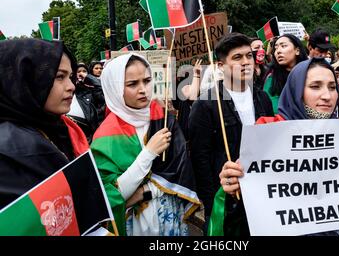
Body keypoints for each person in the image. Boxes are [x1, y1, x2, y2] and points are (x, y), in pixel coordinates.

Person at [216, 57, 339, 235]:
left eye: (333, 87)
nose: (327, 96)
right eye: (315, 86)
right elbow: (246, 222)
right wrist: (235, 192)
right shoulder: (266, 136)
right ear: (296, 91)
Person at [90, 53, 201, 236]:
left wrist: (144, 192)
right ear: (114, 88)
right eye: (132, 84)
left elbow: (180, 170)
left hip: (170, 217)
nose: (143, 89)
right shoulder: (105, 136)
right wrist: (148, 153)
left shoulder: (164, 118)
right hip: (134, 224)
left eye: (147, 80)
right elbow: (112, 197)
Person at [188, 33, 274, 234]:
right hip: (225, 199)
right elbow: (200, 159)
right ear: (220, 66)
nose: (246, 62)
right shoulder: (206, 105)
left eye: (249, 56)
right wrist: (212, 204)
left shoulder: (262, 99)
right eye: (237, 58)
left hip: (260, 195)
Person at [0, 39, 88, 209]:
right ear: (26, 78)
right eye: (59, 77)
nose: (71, 86)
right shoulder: (7, 148)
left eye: (71, 77)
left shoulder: (59, 127)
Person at [263, 34, 308, 114]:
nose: (278, 51)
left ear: (297, 50)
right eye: (276, 48)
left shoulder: (310, 74)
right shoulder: (271, 79)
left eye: (283, 46)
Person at [67, 63, 105, 143]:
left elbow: (102, 93)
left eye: (84, 71)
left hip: (87, 140)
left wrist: (88, 78)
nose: (81, 74)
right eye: (78, 71)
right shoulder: (67, 92)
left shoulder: (89, 92)